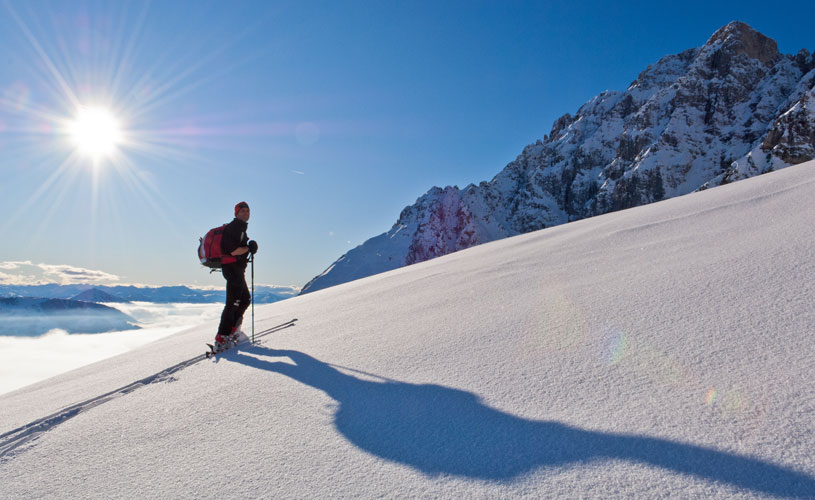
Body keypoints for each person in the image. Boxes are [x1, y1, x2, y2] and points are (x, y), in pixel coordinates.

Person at [214, 201, 258, 350]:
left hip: (237, 269)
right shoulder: (234, 228)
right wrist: (248, 248)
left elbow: (239, 249)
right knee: (233, 302)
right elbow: (232, 251)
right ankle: (222, 336)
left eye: (247, 211)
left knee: (244, 299)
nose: (246, 213)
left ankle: (233, 329)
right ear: (236, 213)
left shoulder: (241, 228)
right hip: (232, 269)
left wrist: (249, 248)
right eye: (242, 211)